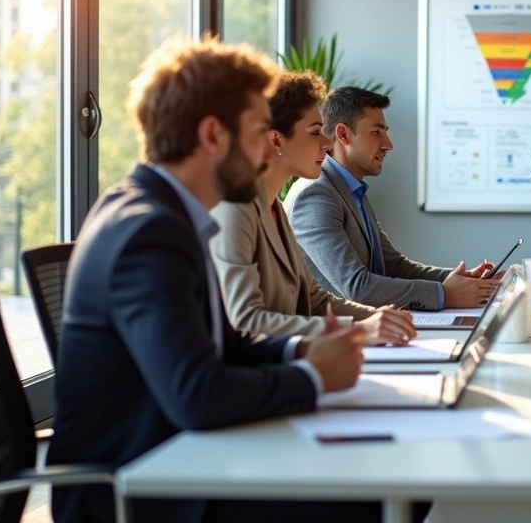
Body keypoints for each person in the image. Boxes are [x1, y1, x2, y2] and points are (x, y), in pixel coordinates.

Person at [47, 36, 378, 523]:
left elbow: (222, 345)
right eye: (258, 131)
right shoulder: (150, 232)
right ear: (212, 135)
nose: (267, 148)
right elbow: (197, 395)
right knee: (363, 497)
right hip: (136, 488)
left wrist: (300, 351)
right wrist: (312, 377)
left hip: (177, 457)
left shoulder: (163, 213)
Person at [210, 71, 417, 342]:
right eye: (315, 133)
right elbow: (248, 321)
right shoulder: (235, 211)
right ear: (275, 140)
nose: (327, 143)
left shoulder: (277, 208)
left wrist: (379, 318)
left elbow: (314, 301)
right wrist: (359, 330)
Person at [286, 86, 500, 310]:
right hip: (335, 336)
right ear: (343, 134)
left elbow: (393, 266)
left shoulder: (351, 190)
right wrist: (444, 294)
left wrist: (464, 282)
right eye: (376, 132)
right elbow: (357, 288)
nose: (388, 144)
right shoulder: (315, 195)